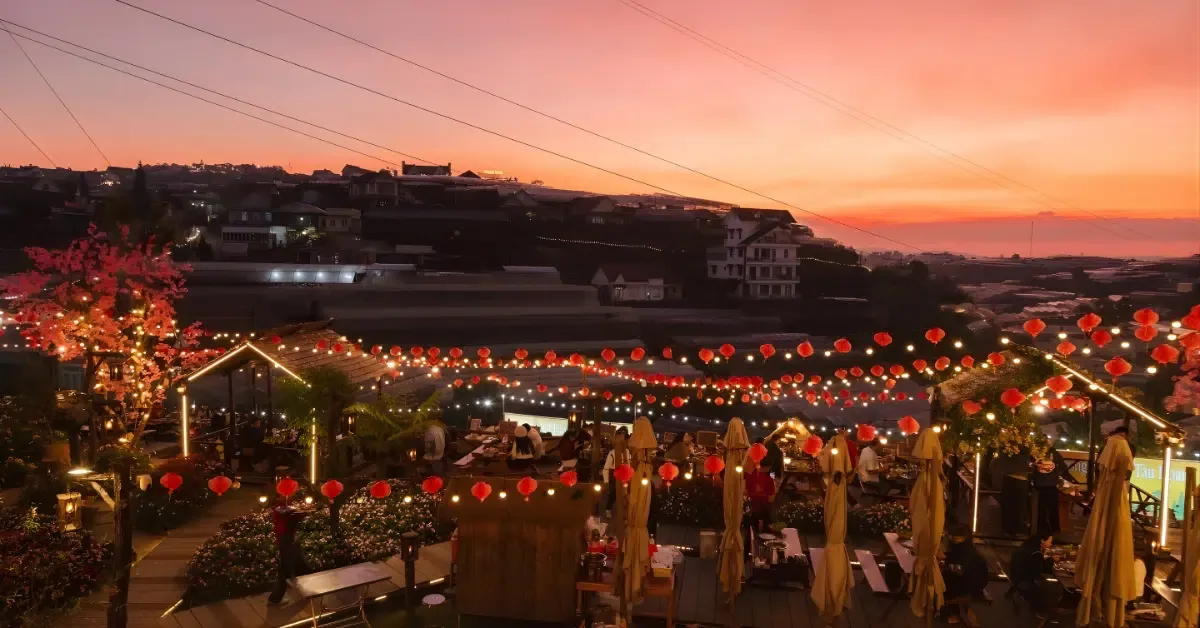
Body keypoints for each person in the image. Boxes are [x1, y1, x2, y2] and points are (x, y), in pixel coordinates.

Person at [941, 526, 989, 623]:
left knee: (943, 585)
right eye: (953, 537)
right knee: (945, 580)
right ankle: (955, 612)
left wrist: (945, 561)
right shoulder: (962, 548)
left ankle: (955, 614)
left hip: (973, 584)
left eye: (957, 538)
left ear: (965, 538)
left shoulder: (969, 552)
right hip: (967, 579)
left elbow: (960, 570)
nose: (953, 539)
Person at [267, 496, 308, 604]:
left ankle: (276, 597)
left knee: (295, 564)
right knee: (286, 567)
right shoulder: (283, 510)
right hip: (286, 539)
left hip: (288, 538)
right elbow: (293, 517)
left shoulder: (281, 508)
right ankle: (276, 597)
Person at [1008, 532, 1059, 618]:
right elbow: (1038, 571)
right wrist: (1051, 561)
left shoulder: (1029, 545)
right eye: (1050, 542)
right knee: (1049, 584)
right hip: (1023, 579)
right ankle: (1042, 610)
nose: (1050, 544)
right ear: (1042, 541)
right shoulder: (1036, 552)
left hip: (1015, 574)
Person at [1031, 446, 1069, 536]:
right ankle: (1055, 528)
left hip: (1039, 485)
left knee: (1040, 509)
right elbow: (1064, 467)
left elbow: (1030, 466)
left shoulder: (1036, 453)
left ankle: (1040, 529)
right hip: (1052, 485)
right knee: (1053, 508)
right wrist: (1056, 475)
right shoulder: (1055, 454)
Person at [744, 459, 776, 535]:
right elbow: (771, 499)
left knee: (751, 529)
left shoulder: (750, 476)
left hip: (752, 507)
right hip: (764, 508)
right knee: (765, 531)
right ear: (769, 467)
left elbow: (746, 493)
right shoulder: (769, 480)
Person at [602, 427, 630, 514]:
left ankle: (624, 511)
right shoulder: (612, 453)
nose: (622, 441)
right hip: (615, 475)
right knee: (613, 493)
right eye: (619, 438)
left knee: (626, 493)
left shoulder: (628, 452)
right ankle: (608, 509)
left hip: (626, 474)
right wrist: (606, 481)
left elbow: (629, 464)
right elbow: (606, 469)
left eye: (624, 439)